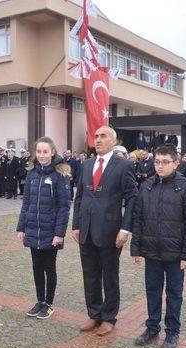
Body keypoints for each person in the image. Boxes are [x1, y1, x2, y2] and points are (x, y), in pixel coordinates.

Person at [131, 144, 186, 348]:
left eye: (165, 162)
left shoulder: (185, 187)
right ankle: (152, 328)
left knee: (174, 293)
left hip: (175, 253)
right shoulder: (147, 186)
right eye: (157, 162)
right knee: (152, 291)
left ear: (176, 163)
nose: (160, 166)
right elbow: (138, 218)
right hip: (152, 250)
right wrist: (136, 249)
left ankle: (172, 331)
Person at [72, 126, 138, 336]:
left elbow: (132, 198)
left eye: (103, 136)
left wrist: (125, 229)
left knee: (109, 275)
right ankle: (94, 314)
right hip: (87, 230)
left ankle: (109, 316)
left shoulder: (123, 165)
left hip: (110, 230)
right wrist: (76, 224)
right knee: (90, 274)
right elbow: (80, 196)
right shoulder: (87, 164)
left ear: (114, 140)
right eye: (96, 136)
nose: (98, 140)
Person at [17, 137, 71, 320]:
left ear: (53, 152)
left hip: (50, 232)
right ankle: (39, 301)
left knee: (49, 267)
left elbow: (64, 207)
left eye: (45, 151)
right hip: (33, 228)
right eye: (38, 152)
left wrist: (59, 233)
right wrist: (21, 227)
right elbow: (26, 203)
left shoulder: (60, 174)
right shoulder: (31, 173)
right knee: (36, 267)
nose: (41, 155)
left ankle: (49, 303)